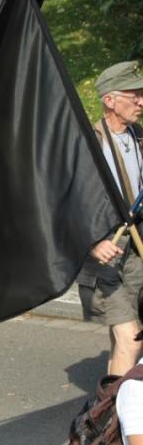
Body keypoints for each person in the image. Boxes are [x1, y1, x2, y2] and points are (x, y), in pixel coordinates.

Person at [78, 60, 143, 377]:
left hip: (135, 251)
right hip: (103, 253)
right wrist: (92, 243)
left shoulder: (138, 137)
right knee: (131, 338)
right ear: (109, 100)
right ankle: (116, 418)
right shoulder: (89, 143)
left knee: (126, 341)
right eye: (134, 96)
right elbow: (66, 203)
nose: (141, 102)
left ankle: (112, 416)